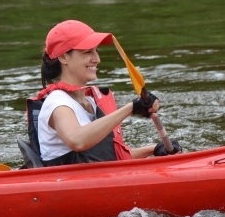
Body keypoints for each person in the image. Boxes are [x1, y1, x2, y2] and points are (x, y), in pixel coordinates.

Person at [30, 19, 182, 166]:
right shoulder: (57, 102)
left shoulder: (89, 102)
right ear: (64, 57)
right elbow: (77, 141)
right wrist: (130, 108)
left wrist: (154, 149)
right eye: (87, 52)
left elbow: (108, 159)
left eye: (96, 51)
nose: (97, 59)